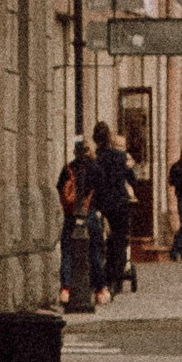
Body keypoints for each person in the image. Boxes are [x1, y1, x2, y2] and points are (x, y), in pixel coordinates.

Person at [92, 121, 138, 298]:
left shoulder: (95, 158)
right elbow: (132, 179)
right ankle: (115, 279)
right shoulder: (120, 156)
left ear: (95, 139)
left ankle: (101, 277)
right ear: (109, 137)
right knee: (119, 240)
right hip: (119, 203)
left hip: (101, 204)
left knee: (100, 240)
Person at [57, 136, 98, 313]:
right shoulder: (94, 168)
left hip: (70, 215)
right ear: (88, 151)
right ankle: (99, 288)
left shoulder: (68, 168)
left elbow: (59, 188)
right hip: (89, 213)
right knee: (94, 250)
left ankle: (66, 288)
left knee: (67, 251)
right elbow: (101, 188)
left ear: (74, 152)